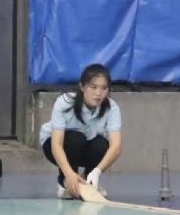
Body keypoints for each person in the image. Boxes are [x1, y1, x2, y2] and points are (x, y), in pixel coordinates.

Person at [39, 63, 122, 199]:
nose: (98, 93)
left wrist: (97, 171)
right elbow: (56, 144)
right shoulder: (64, 102)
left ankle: (88, 181)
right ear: (82, 87)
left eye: (104, 88)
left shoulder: (112, 108)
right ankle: (66, 182)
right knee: (76, 138)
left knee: (101, 145)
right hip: (56, 146)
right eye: (93, 87)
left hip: (85, 146)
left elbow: (116, 147)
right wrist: (69, 173)